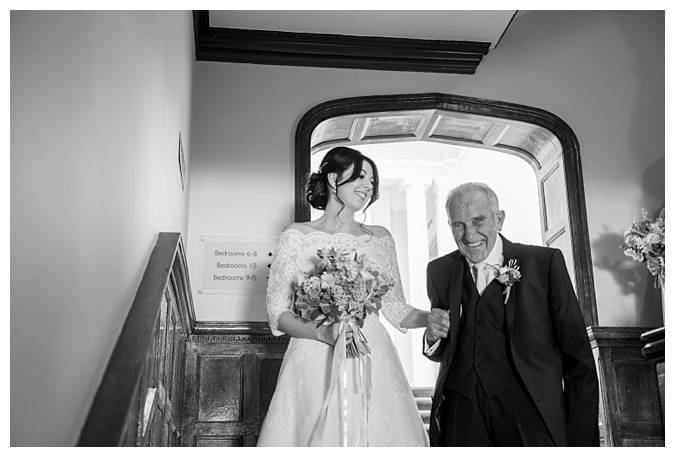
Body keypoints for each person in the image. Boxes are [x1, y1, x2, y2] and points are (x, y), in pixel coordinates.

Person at [257, 146, 430, 447]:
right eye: (361, 177)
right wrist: (323, 333)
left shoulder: (380, 237)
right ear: (334, 179)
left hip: (371, 353)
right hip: (313, 355)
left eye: (373, 181)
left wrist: (434, 318)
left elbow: (395, 307)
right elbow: (277, 313)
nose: (368, 186)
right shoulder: (296, 235)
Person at [424, 182, 599, 447]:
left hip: (529, 407)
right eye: (458, 224)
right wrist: (431, 338)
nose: (469, 234)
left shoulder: (543, 263)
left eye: (478, 221)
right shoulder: (439, 271)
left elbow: (578, 358)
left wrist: (582, 442)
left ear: (499, 219)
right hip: (462, 412)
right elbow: (446, 348)